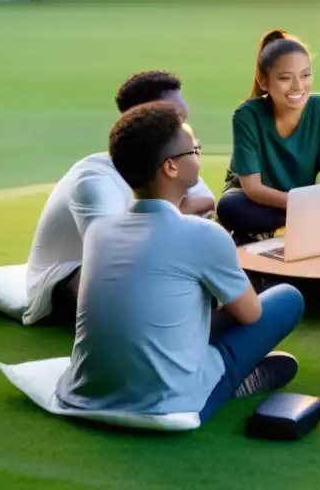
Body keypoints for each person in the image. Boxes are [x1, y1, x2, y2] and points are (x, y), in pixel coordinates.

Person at [55, 101, 305, 423]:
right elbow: (250, 314)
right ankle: (234, 378)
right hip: (171, 403)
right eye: (194, 149)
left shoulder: (99, 231)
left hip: (86, 394)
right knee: (287, 298)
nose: (198, 154)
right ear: (171, 167)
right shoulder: (204, 234)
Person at [22, 70, 215, 326]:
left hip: (131, 267)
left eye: (183, 119)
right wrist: (176, 212)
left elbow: (206, 202)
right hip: (71, 278)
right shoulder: (94, 179)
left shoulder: (173, 161)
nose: (184, 130)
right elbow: (114, 252)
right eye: (174, 120)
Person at [215, 30, 320, 244]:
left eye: (305, 75)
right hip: (255, 202)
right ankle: (295, 225)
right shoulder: (246, 115)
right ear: (264, 81)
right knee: (229, 205)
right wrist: (308, 207)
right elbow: (253, 189)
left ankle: (273, 230)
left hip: (295, 204)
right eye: (286, 78)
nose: (298, 86)